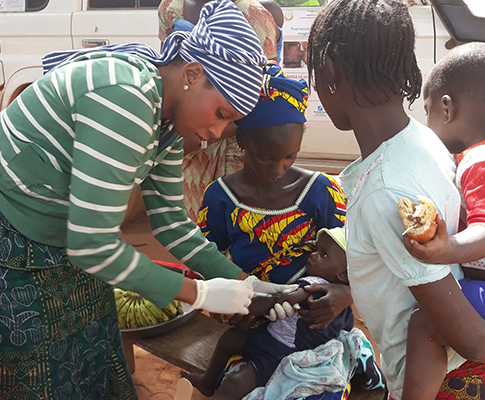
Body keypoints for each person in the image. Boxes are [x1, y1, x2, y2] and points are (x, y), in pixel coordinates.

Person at [0, 2, 298, 398]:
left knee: (93, 356)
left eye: (230, 122)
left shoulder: (166, 120)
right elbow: (92, 245)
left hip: (63, 238)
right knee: (46, 378)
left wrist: (246, 284)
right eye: (220, 112)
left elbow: (172, 222)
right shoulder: (126, 99)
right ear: (192, 74)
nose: (217, 130)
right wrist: (201, 293)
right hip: (17, 243)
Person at [306, 1, 485, 399]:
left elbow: (473, 340)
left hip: (443, 382)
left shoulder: (387, 189)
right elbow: (398, 272)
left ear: (331, 69)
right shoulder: (422, 141)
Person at [197, 62, 353, 399]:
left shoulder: (319, 192)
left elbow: (353, 257)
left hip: (318, 325)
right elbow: (206, 262)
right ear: (241, 141)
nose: (278, 169)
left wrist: (347, 295)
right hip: (256, 326)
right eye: (265, 156)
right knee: (240, 384)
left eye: (289, 156)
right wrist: (227, 305)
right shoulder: (221, 199)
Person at [401, 42, 485, 400]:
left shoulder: (481, 159)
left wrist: (445, 249)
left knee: (427, 322)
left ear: (446, 108)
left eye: (427, 112)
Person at [181, 227, 355, 400]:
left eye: (323, 255)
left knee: (236, 382)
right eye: (316, 250)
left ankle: (209, 382)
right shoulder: (342, 303)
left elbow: (280, 300)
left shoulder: (315, 285)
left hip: (281, 352)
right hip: (272, 338)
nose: (313, 255)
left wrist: (239, 305)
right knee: (231, 340)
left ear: (343, 274)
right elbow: (346, 328)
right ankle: (207, 382)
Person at [157, 0, 282, 223]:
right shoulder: (171, 7)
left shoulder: (257, 14)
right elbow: (172, 74)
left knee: (237, 227)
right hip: (189, 142)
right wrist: (178, 140)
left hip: (239, 145)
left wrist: (204, 132)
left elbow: (263, 96)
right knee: (191, 225)